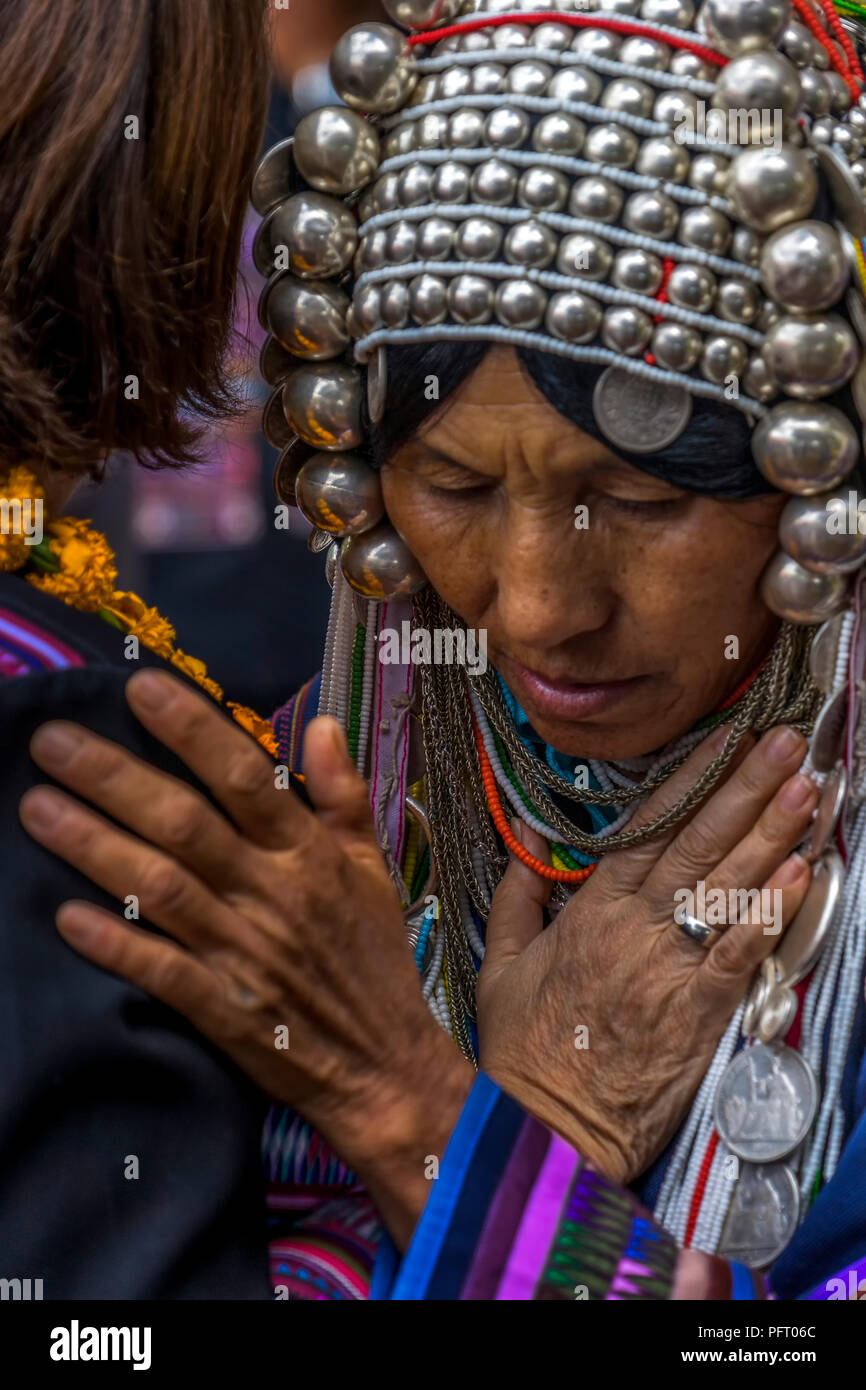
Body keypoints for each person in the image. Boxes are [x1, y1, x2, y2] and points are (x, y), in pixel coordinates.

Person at [13, 0, 866, 1303]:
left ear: (822, 461)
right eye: (454, 487)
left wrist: (424, 1110)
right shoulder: (266, 836)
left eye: (641, 502)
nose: (533, 610)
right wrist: (506, 1116)